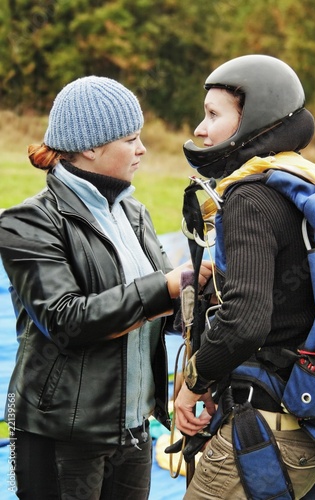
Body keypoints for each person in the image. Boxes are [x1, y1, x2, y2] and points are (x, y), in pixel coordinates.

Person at [0, 75, 212, 500]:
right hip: (63, 436)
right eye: (131, 138)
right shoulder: (27, 223)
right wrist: (170, 283)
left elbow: (162, 308)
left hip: (134, 431)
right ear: (91, 147)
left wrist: (200, 299)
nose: (143, 149)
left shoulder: (135, 213)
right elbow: (68, 320)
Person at [174, 54, 315, 499]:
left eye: (212, 115)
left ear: (253, 121)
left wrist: (194, 381)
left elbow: (245, 322)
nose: (200, 129)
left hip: (268, 434)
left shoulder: (249, 198)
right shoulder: (302, 187)